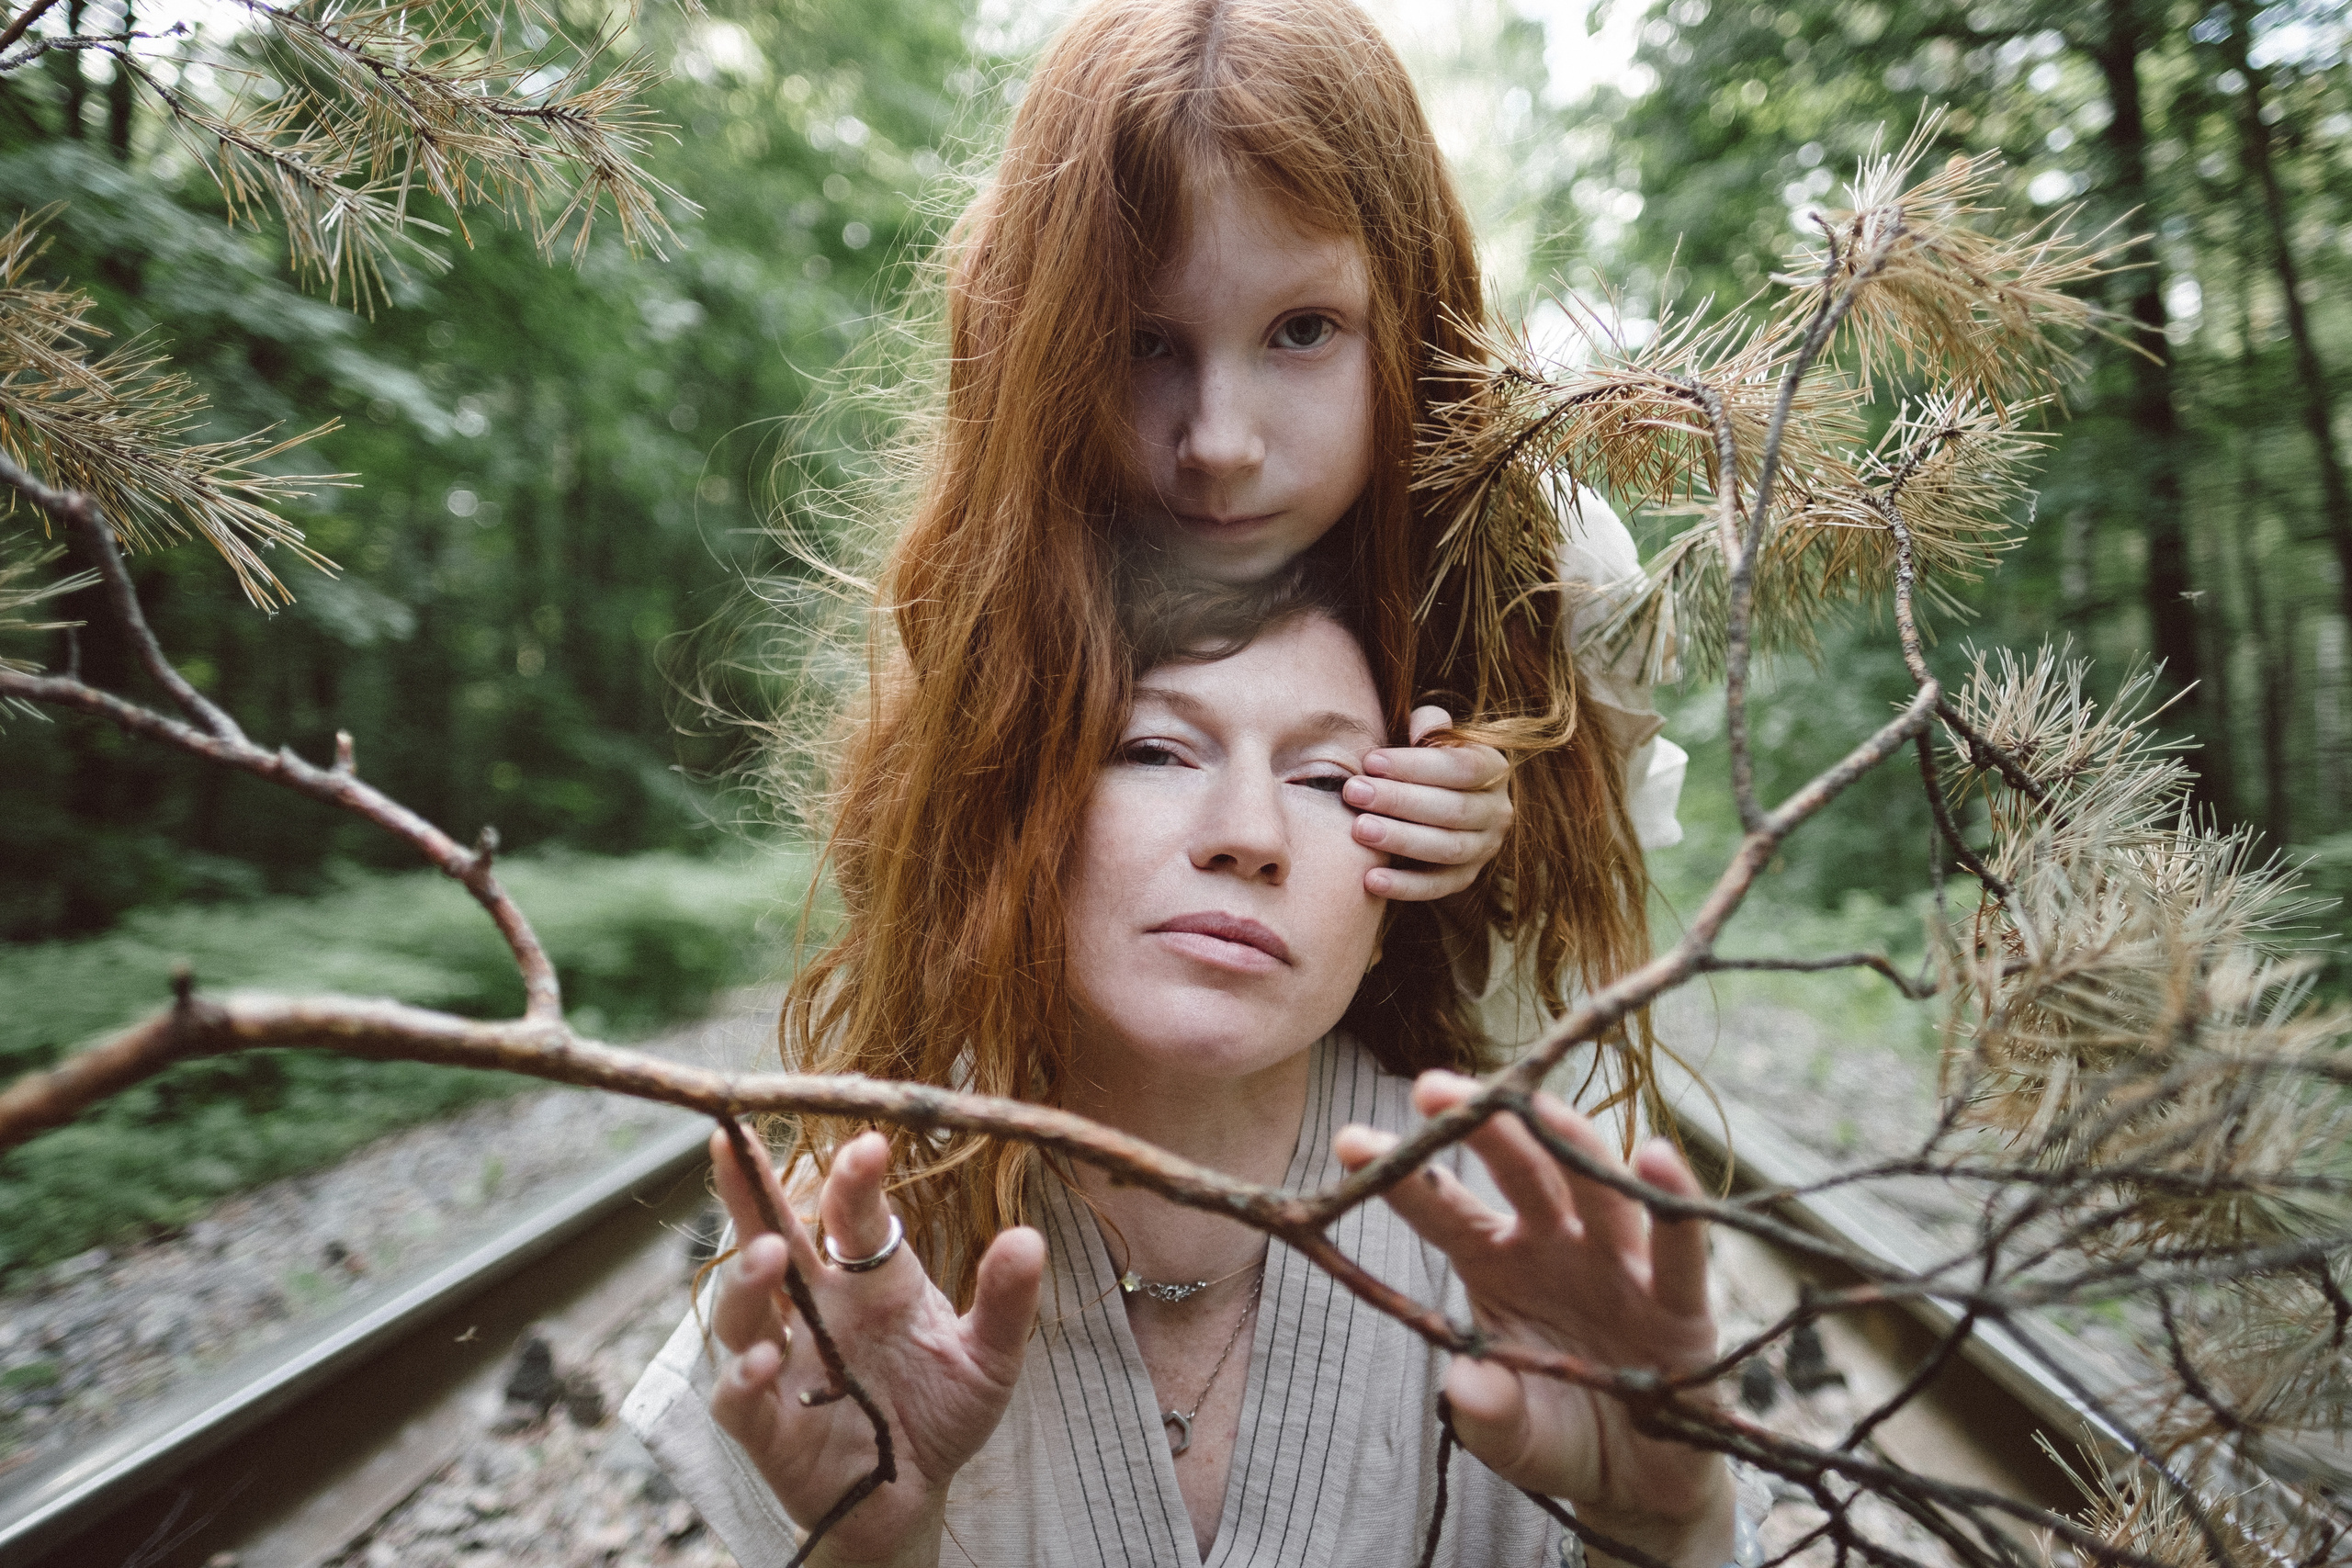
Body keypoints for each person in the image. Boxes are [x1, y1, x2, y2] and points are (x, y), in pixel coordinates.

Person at [623, 568, 1734, 1567]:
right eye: (1155, 750)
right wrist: (869, 1555)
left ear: (1401, 892)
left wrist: (1667, 1533)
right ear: (1019, 821)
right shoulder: (855, 1242)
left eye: (1326, 780)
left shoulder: (1530, 1241)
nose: (1249, 832)